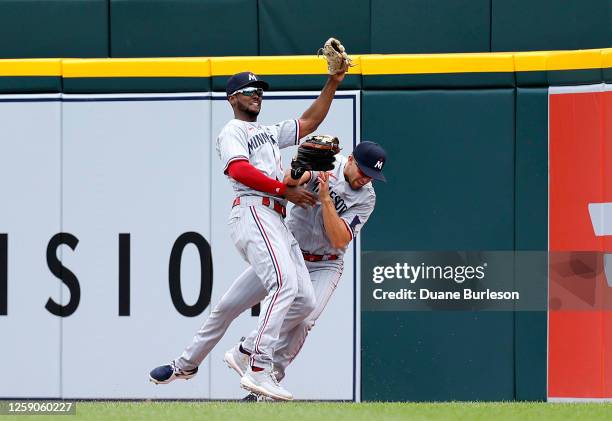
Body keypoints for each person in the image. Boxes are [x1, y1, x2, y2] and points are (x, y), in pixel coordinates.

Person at [149, 68, 346, 401]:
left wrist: (334, 82)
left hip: (274, 218)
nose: (256, 95)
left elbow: (308, 123)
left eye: (259, 91)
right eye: (249, 90)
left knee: (297, 300)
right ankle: (257, 366)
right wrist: (283, 189)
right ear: (233, 98)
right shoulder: (232, 130)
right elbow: (238, 169)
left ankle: (188, 363)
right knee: (284, 286)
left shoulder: (267, 132)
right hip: (254, 210)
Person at [150, 140, 386, 400]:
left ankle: (260, 378)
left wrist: (326, 199)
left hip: (325, 263)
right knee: (227, 306)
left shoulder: (367, 198)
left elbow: (339, 238)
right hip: (289, 251)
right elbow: (289, 181)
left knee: (304, 318)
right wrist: (300, 170)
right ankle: (184, 365)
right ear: (350, 160)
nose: (366, 179)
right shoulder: (328, 165)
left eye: (372, 175)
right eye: (363, 171)